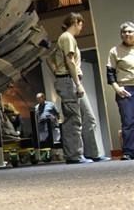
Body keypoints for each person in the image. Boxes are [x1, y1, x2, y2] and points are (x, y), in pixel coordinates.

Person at [51, 12, 109, 163]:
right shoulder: (67, 37)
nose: (81, 28)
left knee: (89, 117)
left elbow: (49, 58)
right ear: (76, 22)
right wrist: (73, 82)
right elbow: (70, 61)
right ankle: (74, 156)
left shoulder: (67, 39)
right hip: (69, 81)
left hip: (72, 80)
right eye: (81, 24)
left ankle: (93, 153)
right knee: (73, 119)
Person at [106, 21, 134, 160]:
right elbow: (110, 72)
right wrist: (117, 88)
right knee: (128, 121)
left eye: (130, 31)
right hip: (125, 89)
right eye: (124, 32)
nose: (127, 34)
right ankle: (128, 151)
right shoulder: (115, 51)